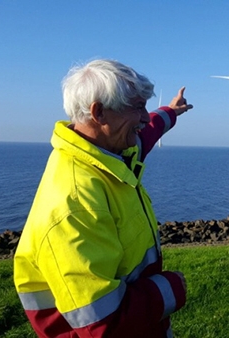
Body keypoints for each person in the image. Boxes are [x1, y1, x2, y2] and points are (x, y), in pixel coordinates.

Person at [14, 59, 193, 337]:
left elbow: (149, 131)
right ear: (99, 113)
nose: (145, 118)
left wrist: (171, 111)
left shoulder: (109, 154)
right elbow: (102, 324)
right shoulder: (75, 204)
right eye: (137, 107)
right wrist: (171, 288)